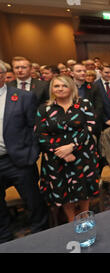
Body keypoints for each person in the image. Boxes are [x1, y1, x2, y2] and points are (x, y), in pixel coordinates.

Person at [35, 75, 100, 222]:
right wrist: (62, 153)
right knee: (64, 192)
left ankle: (85, 218)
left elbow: (90, 126)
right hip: (56, 158)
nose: (60, 89)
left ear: (71, 87)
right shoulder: (44, 109)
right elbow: (40, 134)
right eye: (56, 86)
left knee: (84, 189)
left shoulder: (83, 104)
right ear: (51, 89)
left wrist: (72, 146)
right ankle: (72, 222)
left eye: (64, 86)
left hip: (82, 155)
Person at [0, 61, 48, 243]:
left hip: (19, 160)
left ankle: (41, 235)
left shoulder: (23, 97)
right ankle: (4, 238)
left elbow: (35, 127)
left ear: (4, 76)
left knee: (34, 202)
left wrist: (32, 153)